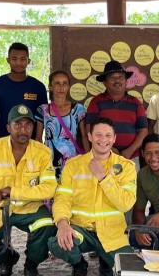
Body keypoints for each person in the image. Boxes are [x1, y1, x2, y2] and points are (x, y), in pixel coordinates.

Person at [0, 104, 57, 276]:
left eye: (28, 125)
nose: (23, 130)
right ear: (8, 127)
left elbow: (49, 188)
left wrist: (13, 191)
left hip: (29, 208)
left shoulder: (42, 152)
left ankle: (31, 264)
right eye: (18, 125)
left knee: (47, 226)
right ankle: (7, 257)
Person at [49, 117, 136, 276]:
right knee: (57, 243)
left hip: (113, 234)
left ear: (114, 138)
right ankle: (79, 264)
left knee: (130, 271)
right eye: (98, 135)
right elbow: (62, 198)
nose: (103, 139)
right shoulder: (73, 165)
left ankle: (105, 259)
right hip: (82, 231)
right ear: (89, 136)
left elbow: (126, 204)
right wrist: (62, 223)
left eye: (108, 135)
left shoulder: (126, 166)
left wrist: (103, 177)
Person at [85, 60, 148, 161]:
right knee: (103, 177)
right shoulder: (96, 102)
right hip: (103, 155)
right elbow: (89, 130)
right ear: (104, 83)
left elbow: (143, 131)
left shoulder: (135, 103)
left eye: (121, 77)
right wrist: (109, 149)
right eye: (112, 77)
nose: (117, 80)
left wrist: (130, 150)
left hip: (131, 157)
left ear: (126, 81)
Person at [0, 43, 48, 138]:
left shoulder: (38, 86)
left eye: (23, 59)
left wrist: (38, 139)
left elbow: (42, 117)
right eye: (14, 59)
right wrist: (1, 136)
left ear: (29, 61)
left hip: (31, 143)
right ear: (8, 60)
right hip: (5, 143)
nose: (18, 63)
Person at [36, 71, 88, 176]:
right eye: (57, 83)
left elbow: (84, 136)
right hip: (49, 160)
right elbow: (38, 138)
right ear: (51, 87)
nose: (61, 87)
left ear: (69, 86)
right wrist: (40, 160)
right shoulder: (43, 110)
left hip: (72, 160)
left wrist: (88, 159)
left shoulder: (78, 109)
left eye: (64, 83)